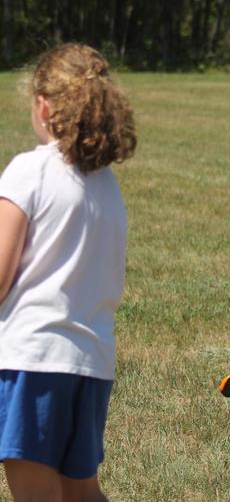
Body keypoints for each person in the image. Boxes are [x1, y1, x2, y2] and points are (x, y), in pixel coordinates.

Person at [0, 43, 137, 501]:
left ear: (43, 105)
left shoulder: (29, 171)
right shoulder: (105, 184)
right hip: (91, 364)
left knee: (36, 490)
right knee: (81, 492)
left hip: (32, 361)